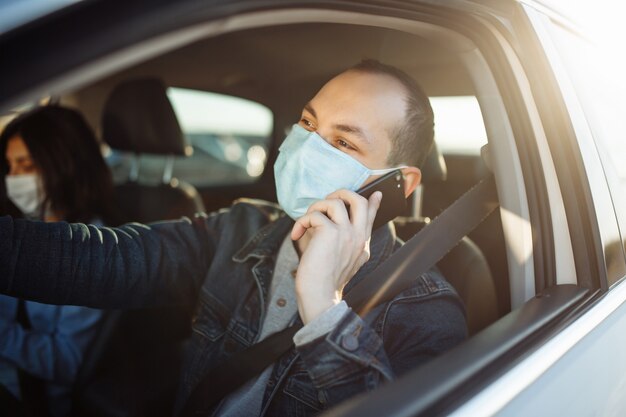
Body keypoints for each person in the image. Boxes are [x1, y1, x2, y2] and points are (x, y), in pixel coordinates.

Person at [0, 60, 467, 416]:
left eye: (343, 142)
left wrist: (326, 311)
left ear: (399, 184)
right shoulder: (239, 228)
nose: (308, 147)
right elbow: (107, 258)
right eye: (308, 124)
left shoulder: (424, 310)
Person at [0, 105, 118, 416]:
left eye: (26, 165)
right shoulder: (20, 228)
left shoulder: (91, 249)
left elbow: (67, 362)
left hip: (30, 398)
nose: (14, 180)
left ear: (63, 164)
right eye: (9, 167)